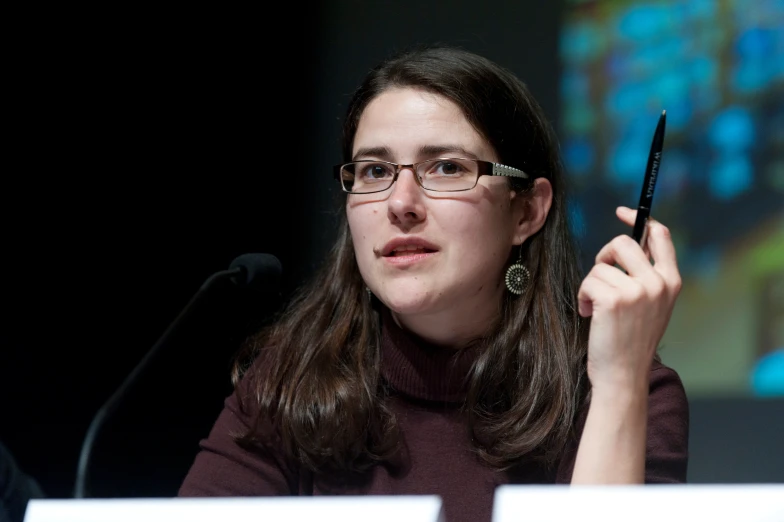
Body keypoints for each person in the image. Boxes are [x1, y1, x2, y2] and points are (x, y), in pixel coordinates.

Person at [178, 44, 688, 522]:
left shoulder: (624, 388)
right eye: (375, 170)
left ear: (527, 211)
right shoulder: (286, 383)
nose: (400, 203)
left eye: (446, 168)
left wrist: (619, 382)